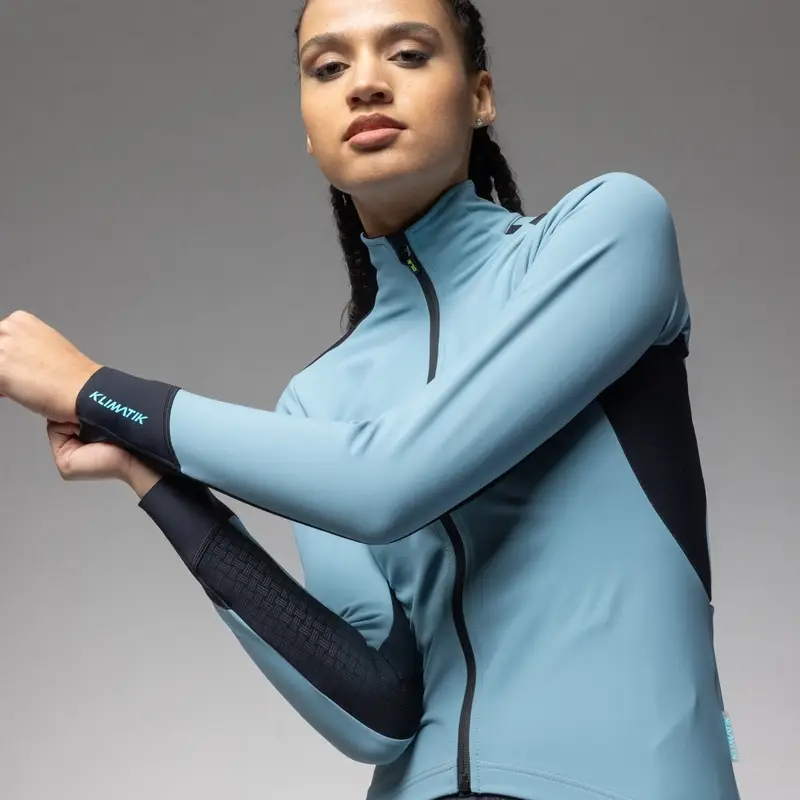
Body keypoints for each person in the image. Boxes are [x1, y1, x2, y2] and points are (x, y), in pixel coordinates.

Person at [0, 0, 742, 798]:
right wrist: (150, 474)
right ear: (307, 125)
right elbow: (376, 709)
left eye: (409, 54)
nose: (364, 84)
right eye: (329, 68)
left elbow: (388, 480)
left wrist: (100, 392)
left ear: (481, 96)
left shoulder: (612, 232)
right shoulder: (317, 403)